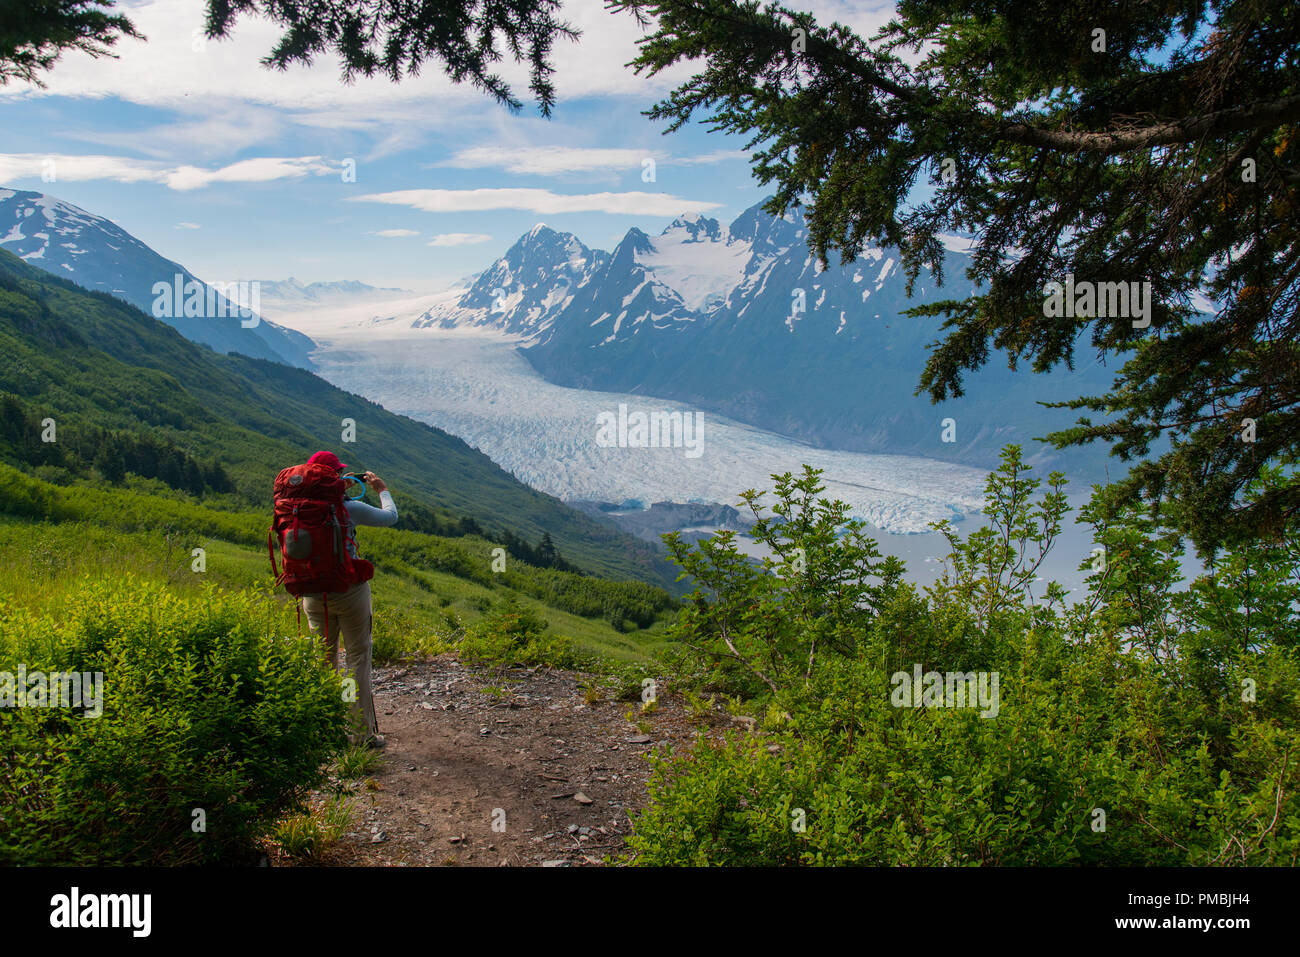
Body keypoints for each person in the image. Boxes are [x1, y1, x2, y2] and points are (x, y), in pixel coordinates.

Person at [299, 450, 397, 750]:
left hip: (312, 592)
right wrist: (382, 490)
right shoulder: (348, 507)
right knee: (357, 658)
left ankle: (322, 731)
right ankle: (361, 735)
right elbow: (390, 518)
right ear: (332, 477)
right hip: (349, 591)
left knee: (323, 658)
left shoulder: (296, 506)